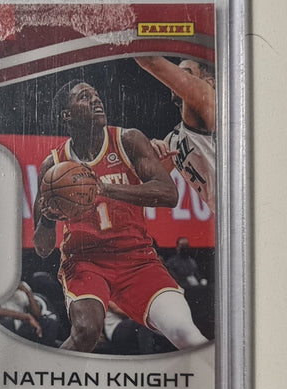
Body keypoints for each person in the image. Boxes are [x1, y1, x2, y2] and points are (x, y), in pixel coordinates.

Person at [33, 80, 207, 353]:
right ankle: (45, 378)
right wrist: (47, 219)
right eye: (84, 97)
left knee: (185, 333)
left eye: (96, 94)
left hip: (136, 258)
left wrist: (104, 188)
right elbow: (42, 249)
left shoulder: (127, 140)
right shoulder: (53, 166)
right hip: (85, 261)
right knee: (86, 331)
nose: (96, 99)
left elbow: (168, 194)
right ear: (67, 115)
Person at [135, 56, 216, 212]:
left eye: (185, 73)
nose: (176, 78)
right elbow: (147, 183)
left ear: (209, 82)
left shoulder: (211, 101)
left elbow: (150, 61)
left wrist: (123, 41)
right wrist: (150, 152)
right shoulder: (173, 139)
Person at [0, 281, 59, 346]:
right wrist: (27, 317)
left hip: (24, 325)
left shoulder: (22, 286)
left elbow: (37, 314)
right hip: (8, 326)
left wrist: (28, 293)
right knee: (8, 322)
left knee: (49, 322)